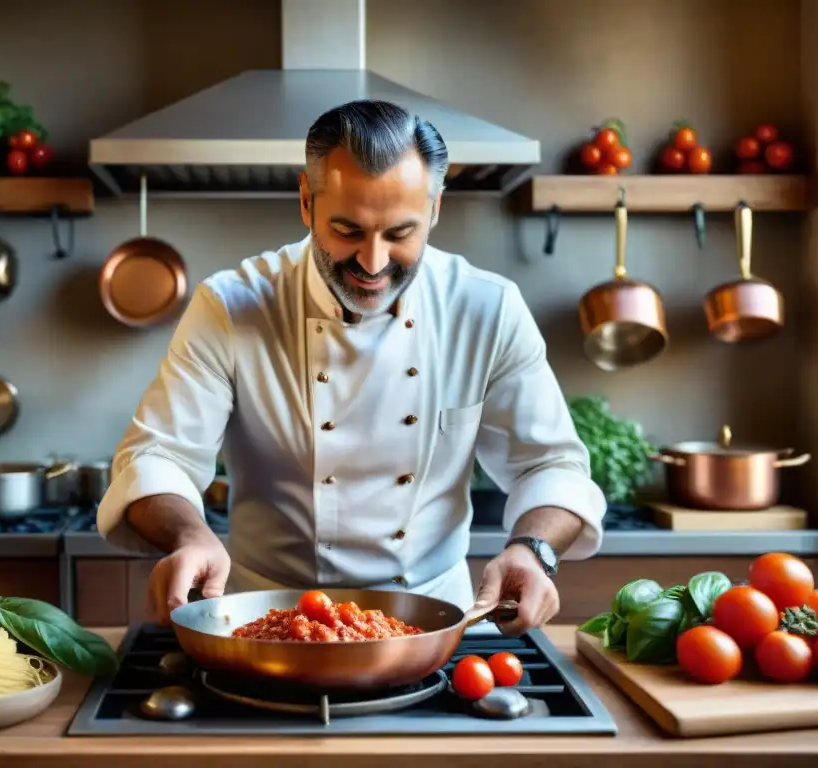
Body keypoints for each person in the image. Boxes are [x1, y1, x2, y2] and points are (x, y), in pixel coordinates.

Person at [97, 99, 607, 635]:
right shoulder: (230, 306)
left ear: (434, 208)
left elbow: (551, 466)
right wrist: (189, 536)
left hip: (436, 626)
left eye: (399, 234)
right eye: (348, 230)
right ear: (305, 202)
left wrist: (533, 551)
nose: (373, 262)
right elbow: (158, 457)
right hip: (268, 625)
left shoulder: (486, 308)